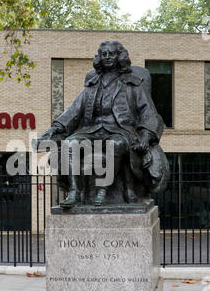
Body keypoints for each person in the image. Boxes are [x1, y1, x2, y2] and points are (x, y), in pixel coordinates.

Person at [36, 40, 169, 208]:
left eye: (111, 54)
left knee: (115, 144)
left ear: (119, 56)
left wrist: (145, 136)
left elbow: (149, 113)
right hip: (92, 130)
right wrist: (55, 129)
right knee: (70, 144)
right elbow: (73, 111)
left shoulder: (132, 84)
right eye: (103, 54)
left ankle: (102, 190)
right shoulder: (92, 85)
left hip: (120, 131)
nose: (107, 57)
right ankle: (75, 192)